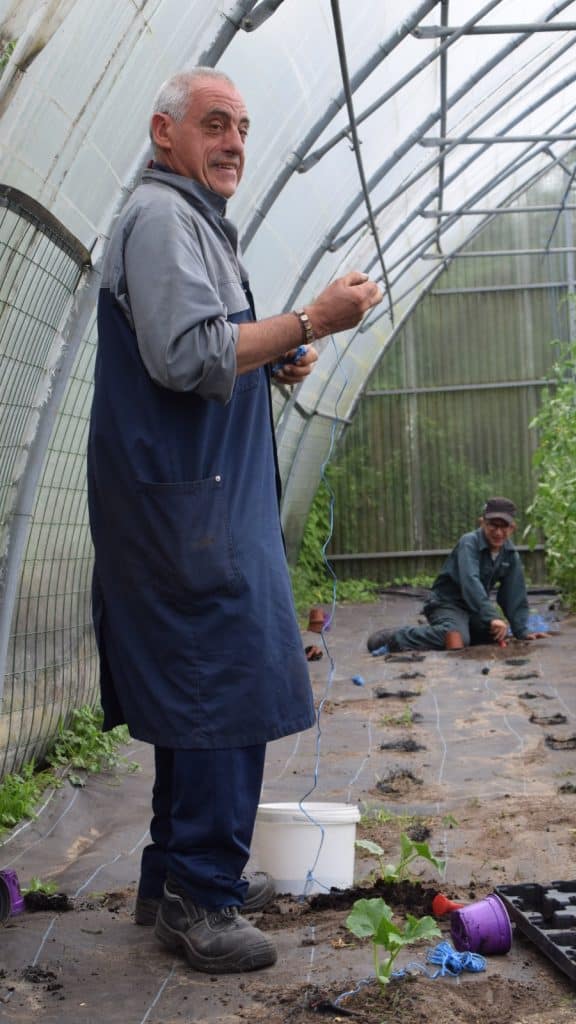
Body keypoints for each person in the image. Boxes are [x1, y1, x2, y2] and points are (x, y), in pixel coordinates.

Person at [87, 66, 382, 976]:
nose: (237, 145)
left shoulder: (186, 222)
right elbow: (186, 356)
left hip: (193, 500)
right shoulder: (164, 219)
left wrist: (281, 349)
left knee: (194, 688)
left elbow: (209, 350)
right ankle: (200, 897)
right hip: (188, 509)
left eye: (246, 129)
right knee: (224, 685)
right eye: (216, 125)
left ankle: (175, 876)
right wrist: (309, 318)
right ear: (164, 130)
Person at [367, 497, 548, 653]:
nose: (498, 532)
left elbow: (513, 594)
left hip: (473, 609)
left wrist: (522, 631)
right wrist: (492, 617)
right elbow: (470, 582)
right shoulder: (469, 543)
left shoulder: (510, 554)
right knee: (456, 640)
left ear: (512, 528)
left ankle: (449, 629)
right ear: (482, 523)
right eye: (493, 525)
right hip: (446, 603)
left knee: (494, 635)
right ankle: (397, 637)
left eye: (504, 527)